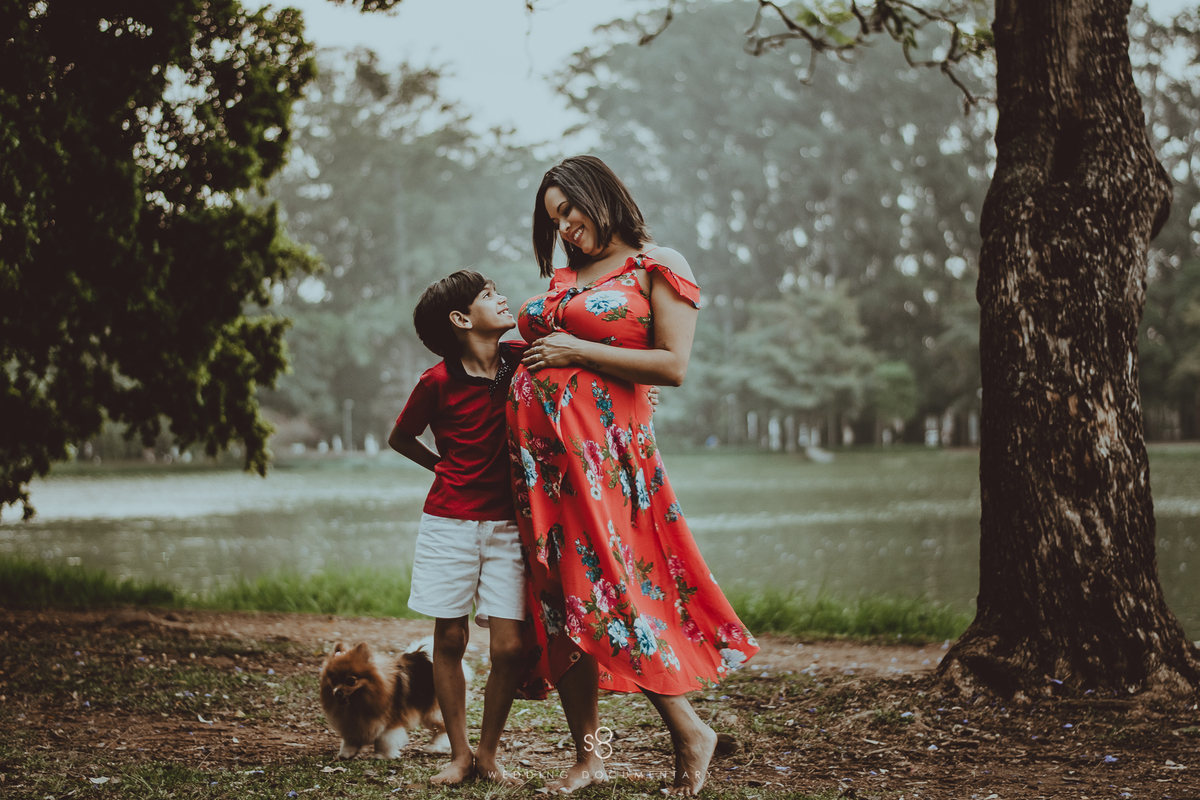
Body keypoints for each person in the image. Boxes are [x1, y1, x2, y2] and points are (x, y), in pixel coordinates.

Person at [508, 155, 759, 795]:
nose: (565, 226)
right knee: (561, 602)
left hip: (605, 463)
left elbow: (673, 365)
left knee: (610, 591)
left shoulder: (657, 265)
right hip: (544, 469)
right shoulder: (566, 276)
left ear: (602, 196)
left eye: (570, 209)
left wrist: (574, 350)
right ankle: (589, 756)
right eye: (554, 219)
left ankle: (690, 730)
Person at [388, 270, 528, 785]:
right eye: (489, 295)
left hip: (510, 526)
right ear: (462, 318)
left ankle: (488, 753)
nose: (503, 297)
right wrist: (441, 467)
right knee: (449, 638)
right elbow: (399, 438)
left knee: (510, 647)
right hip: (448, 524)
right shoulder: (436, 382)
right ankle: (460, 755)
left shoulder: (520, 361)